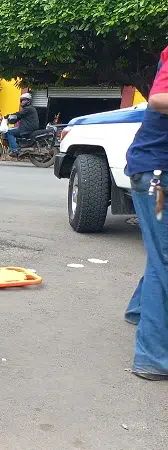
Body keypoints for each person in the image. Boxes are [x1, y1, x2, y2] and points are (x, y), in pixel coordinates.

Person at [122, 45, 168, 382]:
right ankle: (153, 358)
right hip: (157, 175)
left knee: (161, 256)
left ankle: (140, 310)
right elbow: (158, 99)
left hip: (152, 171)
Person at [6, 93, 40, 157]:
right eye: (22, 100)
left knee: (9, 132)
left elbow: (18, 114)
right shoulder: (29, 109)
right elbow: (18, 117)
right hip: (29, 128)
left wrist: (7, 116)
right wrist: (11, 120)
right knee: (13, 131)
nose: (23, 102)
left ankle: (14, 150)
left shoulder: (28, 108)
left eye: (24, 100)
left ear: (28, 101)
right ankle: (19, 146)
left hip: (27, 128)